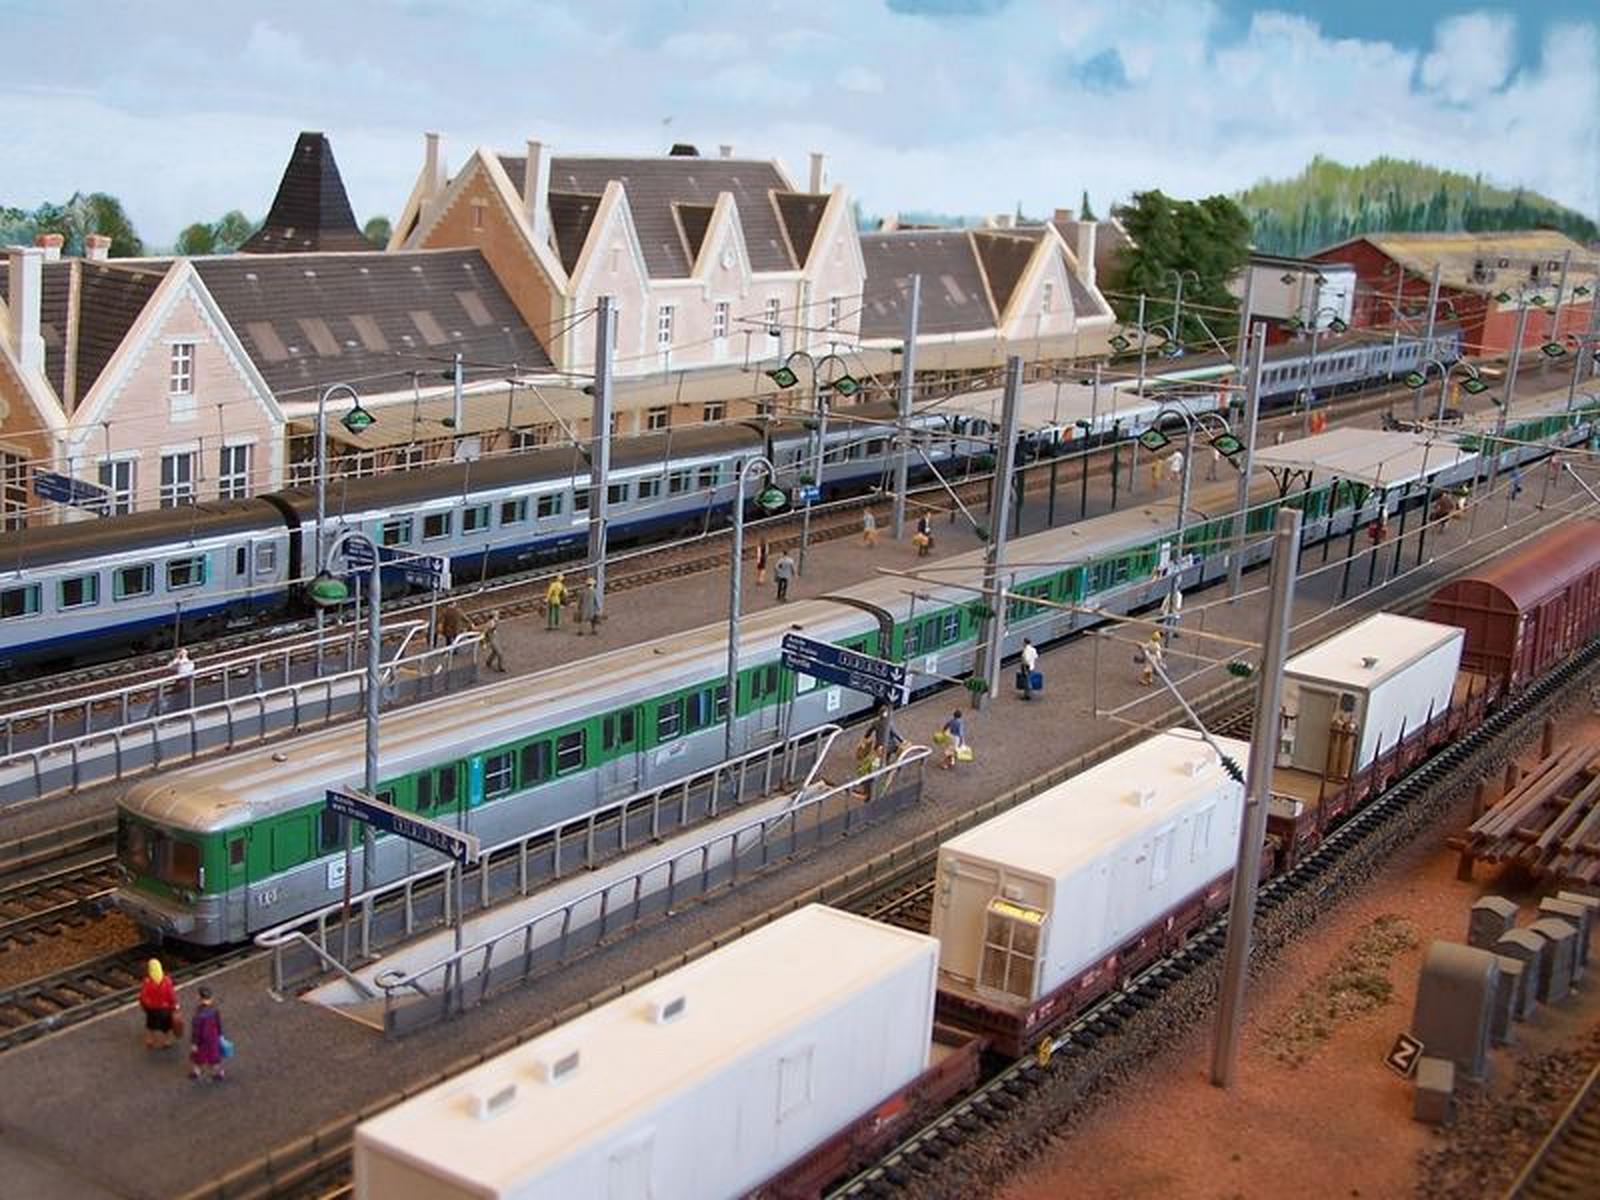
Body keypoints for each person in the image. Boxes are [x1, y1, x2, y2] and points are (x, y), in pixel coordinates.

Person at [139, 958, 178, 1050]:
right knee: (166, 1026)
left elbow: (143, 996)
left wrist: (145, 1005)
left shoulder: (147, 982)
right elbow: (171, 996)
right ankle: (167, 1041)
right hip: (165, 1009)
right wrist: (175, 1005)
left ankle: (150, 1041)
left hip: (152, 1009)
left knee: (150, 1025)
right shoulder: (167, 981)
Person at [189, 986, 226, 1082]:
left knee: (197, 1057)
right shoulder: (214, 1010)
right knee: (214, 1057)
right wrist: (220, 1035)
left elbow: (196, 1030)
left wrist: (194, 1043)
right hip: (213, 1038)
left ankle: (196, 1071)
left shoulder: (198, 1014)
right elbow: (218, 1024)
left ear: (199, 997)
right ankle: (218, 1073)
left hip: (202, 1040)